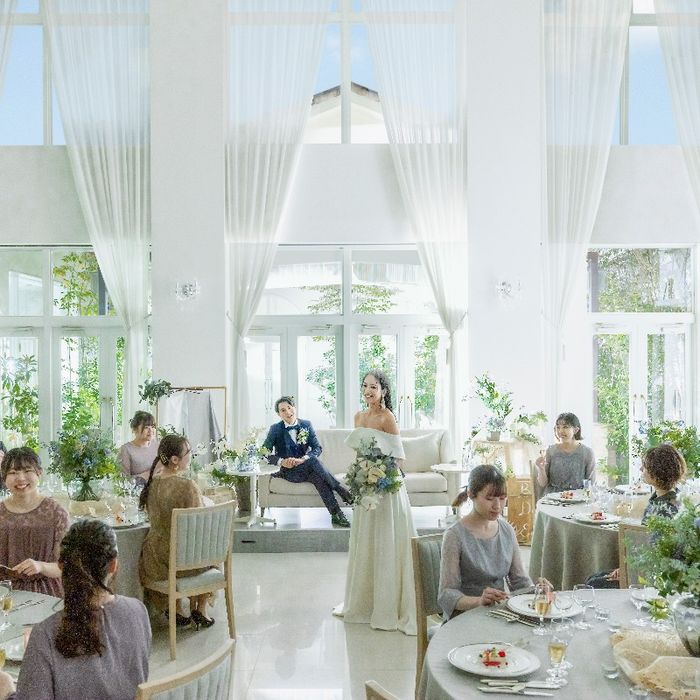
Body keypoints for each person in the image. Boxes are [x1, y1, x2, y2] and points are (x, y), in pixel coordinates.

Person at [0, 519, 151, 700]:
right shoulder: (138, 612)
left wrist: (7, 691)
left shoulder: (45, 633)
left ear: (61, 566)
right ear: (114, 565)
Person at [338, 370, 417, 635]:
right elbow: (360, 454)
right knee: (366, 542)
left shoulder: (387, 417)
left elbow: (399, 459)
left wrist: (379, 474)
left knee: (386, 541)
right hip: (365, 488)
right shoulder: (359, 417)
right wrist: (362, 476)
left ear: (384, 390)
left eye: (374, 386)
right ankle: (365, 603)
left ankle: (388, 605)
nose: (368, 391)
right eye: (365, 386)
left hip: (387, 489)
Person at [438, 464, 533, 620]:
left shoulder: (507, 530)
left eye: (502, 498)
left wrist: (537, 591)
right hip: (464, 617)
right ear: (471, 494)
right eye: (489, 498)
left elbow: (520, 581)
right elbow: (446, 595)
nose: (497, 506)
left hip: (498, 613)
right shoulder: (454, 536)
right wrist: (479, 601)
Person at [138, 434, 214, 629]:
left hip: (154, 559)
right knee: (210, 548)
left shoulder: (152, 483)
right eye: (189, 452)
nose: (191, 456)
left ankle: (177, 608)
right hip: (181, 558)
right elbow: (199, 525)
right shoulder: (187, 486)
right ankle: (201, 608)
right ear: (174, 460)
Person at [586, 443, 686, 589]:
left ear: (657, 472)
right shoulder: (663, 499)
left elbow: (657, 556)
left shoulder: (666, 510)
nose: (641, 470)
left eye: (644, 467)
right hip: (646, 567)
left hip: (656, 577)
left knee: (593, 583)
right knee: (593, 578)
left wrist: (628, 571)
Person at [263, 396, 353, 528]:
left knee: (318, 477)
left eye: (289, 408)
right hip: (288, 471)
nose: (288, 412)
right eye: (283, 410)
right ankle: (340, 489)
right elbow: (264, 453)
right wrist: (281, 461)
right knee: (314, 462)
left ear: (294, 408)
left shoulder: (306, 425)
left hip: (306, 467)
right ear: (279, 414)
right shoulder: (275, 429)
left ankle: (336, 514)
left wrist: (303, 459)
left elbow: (317, 448)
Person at [0, 447, 69, 597]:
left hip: (47, 592)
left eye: (27, 471)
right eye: (13, 472)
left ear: (39, 473)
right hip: (4, 592)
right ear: (4, 477)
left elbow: (66, 566)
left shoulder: (56, 513)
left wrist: (41, 566)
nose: (20, 478)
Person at [535, 412, 595, 495]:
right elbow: (542, 484)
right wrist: (541, 469)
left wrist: (583, 497)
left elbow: (591, 484)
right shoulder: (551, 451)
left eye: (565, 427)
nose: (560, 431)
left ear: (576, 430)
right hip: (553, 497)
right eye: (558, 427)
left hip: (577, 497)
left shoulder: (587, 452)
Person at [117, 411, 159, 482]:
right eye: (146, 427)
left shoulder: (157, 445)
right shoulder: (126, 449)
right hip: (139, 488)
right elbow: (122, 480)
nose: (151, 430)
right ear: (135, 429)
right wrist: (145, 475)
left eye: (153, 427)